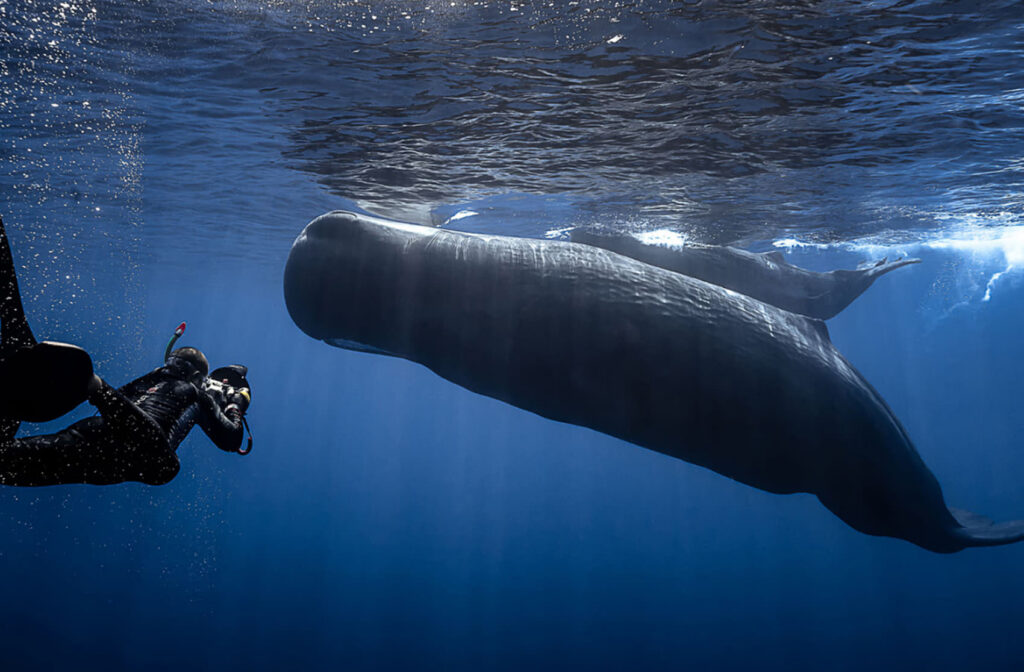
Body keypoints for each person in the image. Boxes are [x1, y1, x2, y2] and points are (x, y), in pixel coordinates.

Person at [0, 215, 251, 486]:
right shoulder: (193, 392)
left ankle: (88, 385)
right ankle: (86, 385)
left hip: (106, 444)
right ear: (198, 376)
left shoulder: (169, 387)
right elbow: (231, 438)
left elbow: (120, 413)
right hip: (123, 455)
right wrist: (237, 404)